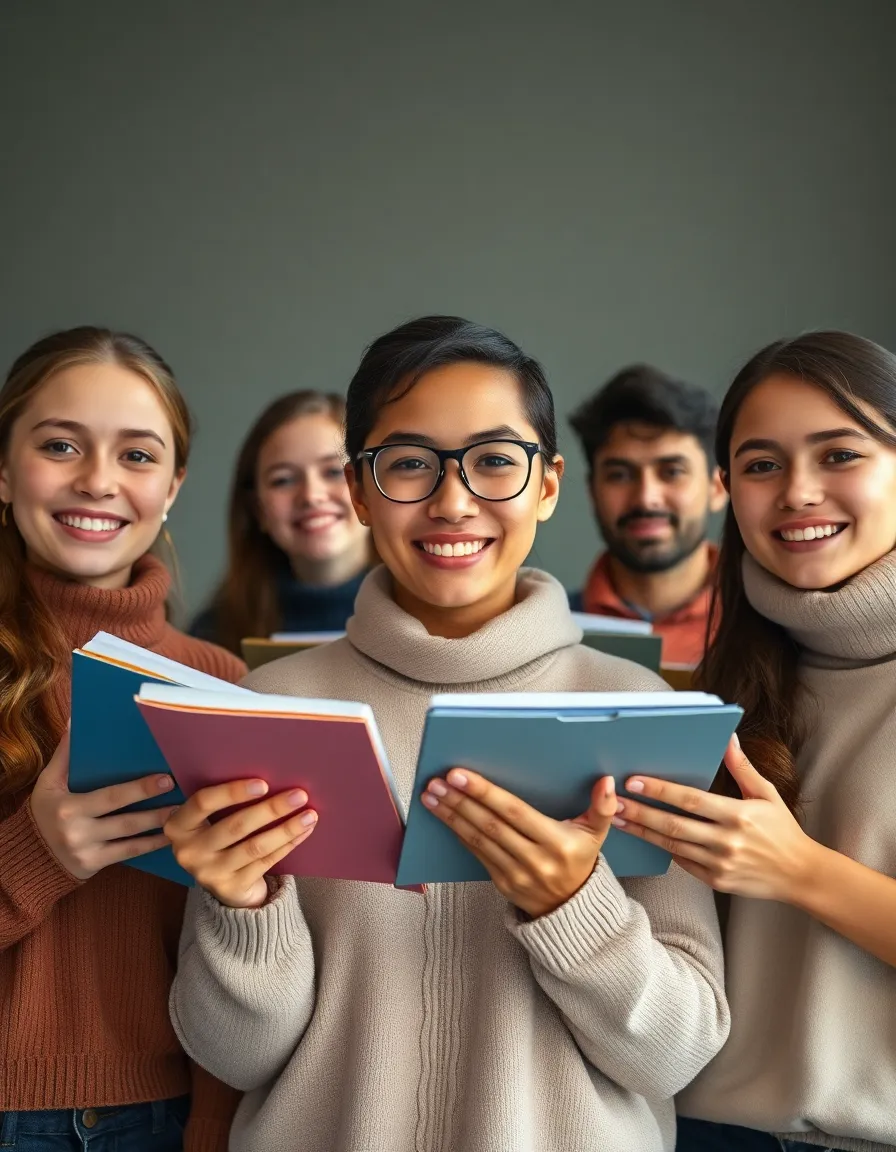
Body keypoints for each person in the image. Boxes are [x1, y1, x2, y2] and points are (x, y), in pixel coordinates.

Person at [164, 316, 730, 1152]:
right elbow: (238, 1057)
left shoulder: (635, 706)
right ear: (359, 489)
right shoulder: (273, 706)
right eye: (409, 464)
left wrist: (573, 909)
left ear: (547, 484)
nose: (454, 499)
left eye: (496, 461)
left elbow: (674, 1055)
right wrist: (240, 906)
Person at [611, 332, 896, 1151]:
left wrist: (801, 870)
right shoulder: (717, 687)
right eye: (762, 465)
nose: (798, 492)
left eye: (839, 453)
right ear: (728, 490)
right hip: (697, 1133)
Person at [0, 327, 246, 1151]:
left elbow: (229, 940)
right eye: (60, 445)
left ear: (174, 486)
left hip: (160, 1117)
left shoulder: (222, 684)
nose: (97, 481)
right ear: (4, 469)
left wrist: (212, 1123)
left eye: (137, 456)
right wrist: (35, 853)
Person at [568, 365, 727, 664]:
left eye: (672, 472)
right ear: (592, 492)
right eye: (619, 475)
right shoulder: (548, 633)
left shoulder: (775, 628)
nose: (646, 497)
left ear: (717, 488)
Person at [190, 391, 371, 654]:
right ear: (258, 509)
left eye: (333, 471)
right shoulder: (213, 636)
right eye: (283, 480)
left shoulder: (435, 614)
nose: (311, 496)